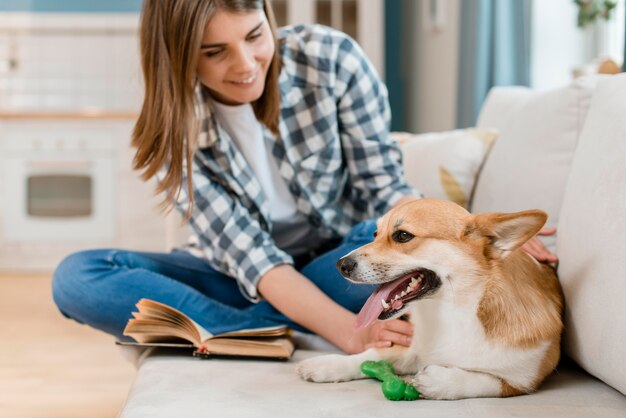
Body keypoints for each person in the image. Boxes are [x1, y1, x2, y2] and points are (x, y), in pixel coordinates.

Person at [52, 0, 557, 355]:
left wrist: (474, 238)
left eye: (254, 36)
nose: (245, 65)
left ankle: (234, 336)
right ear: (180, 55)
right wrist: (347, 332)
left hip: (342, 262)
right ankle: (271, 330)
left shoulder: (329, 60)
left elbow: (386, 192)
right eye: (214, 52)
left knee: (378, 242)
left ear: (269, 19)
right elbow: (255, 260)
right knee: (79, 277)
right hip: (241, 278)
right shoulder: (174, 129)